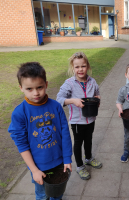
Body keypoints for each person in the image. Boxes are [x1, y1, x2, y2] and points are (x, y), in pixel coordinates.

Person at [8, 62, 72, 200]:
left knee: (57, 193)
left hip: (60, 162)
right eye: (29, 89)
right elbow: (22, 144)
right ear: (21, 88)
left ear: (46, 84)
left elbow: (65, 133)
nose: (36, 93)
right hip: (39, 166)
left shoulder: (56, 106)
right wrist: (34, 170)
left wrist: (67, 158)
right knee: (42, 195)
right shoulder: (19, 113)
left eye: (39, 87)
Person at [57, 52, 102, 180]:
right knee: (78, 143)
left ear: (87, 66)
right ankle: (80, 166)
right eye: (77, 67)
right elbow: (59, 99)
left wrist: (97, 99)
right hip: (77, 121)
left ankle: (88, 158)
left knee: (89, 140)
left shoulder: (92, 81)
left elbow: (97, 93)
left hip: (91, 118)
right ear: (73, 68)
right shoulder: (69, 83)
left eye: (83, 66)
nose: (80, 69)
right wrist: (73, 100)